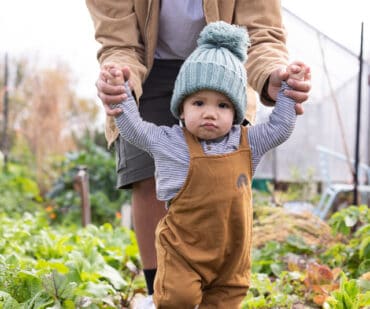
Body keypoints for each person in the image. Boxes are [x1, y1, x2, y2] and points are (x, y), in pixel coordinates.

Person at [85, 0, 312, 302]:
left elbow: (262, 31)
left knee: (224, 166)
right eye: (201, 107)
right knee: (146, 174)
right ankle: (160, 293)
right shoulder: (162, 134)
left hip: (226, 63)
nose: (209, 114)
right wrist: (121, 90)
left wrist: (276, 80)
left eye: (221, 107)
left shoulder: (248, 141)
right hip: (149, 64)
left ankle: (213, 281)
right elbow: (119, 41)